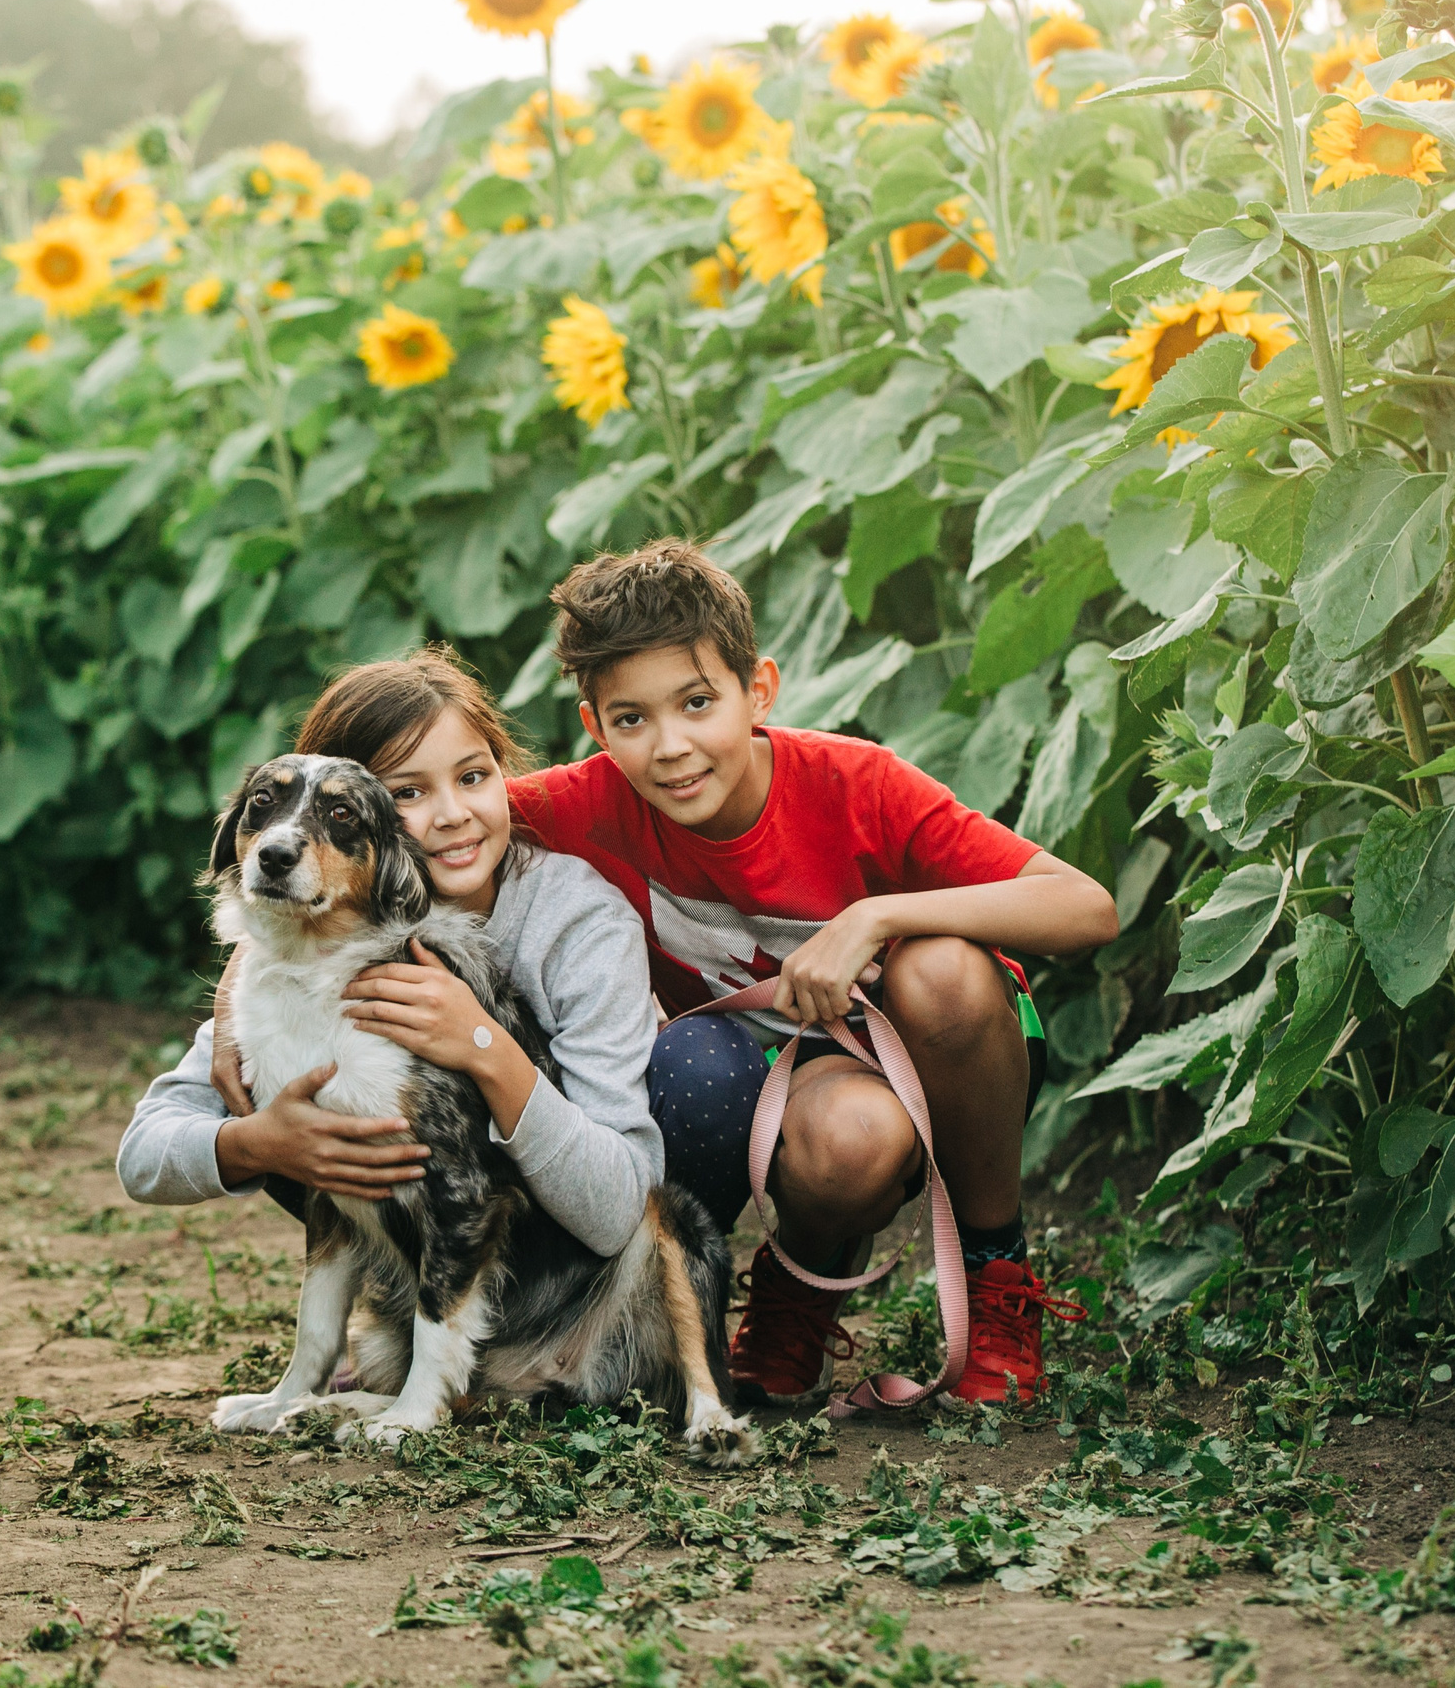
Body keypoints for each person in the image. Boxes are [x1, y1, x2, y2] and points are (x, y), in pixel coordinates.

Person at [509, 539, 1120, 1406]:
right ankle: (800, 1274)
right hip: (798, 1097)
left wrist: (878, 915)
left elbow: (1088, 906)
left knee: (943, 971)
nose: (672, 746)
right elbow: (435, 817)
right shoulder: (585, 803)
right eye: (633, 719)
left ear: (758, 690)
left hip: (950, 1059)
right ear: (596, 727)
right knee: (850, 1142)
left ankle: (996, 1274)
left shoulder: (854, 782)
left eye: (696, 702)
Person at [115, 648, 666, 1260]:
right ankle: (401, 1307)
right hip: (423, 1260)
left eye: (474, 776)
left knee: (700, 1074)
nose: (454, 815)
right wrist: (256, 1144)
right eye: (407, 792)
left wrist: (483, 1044)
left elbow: (619, 1210)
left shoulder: (577, 921)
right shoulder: (306, 945)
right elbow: (143, 1156)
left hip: (579, 1262)